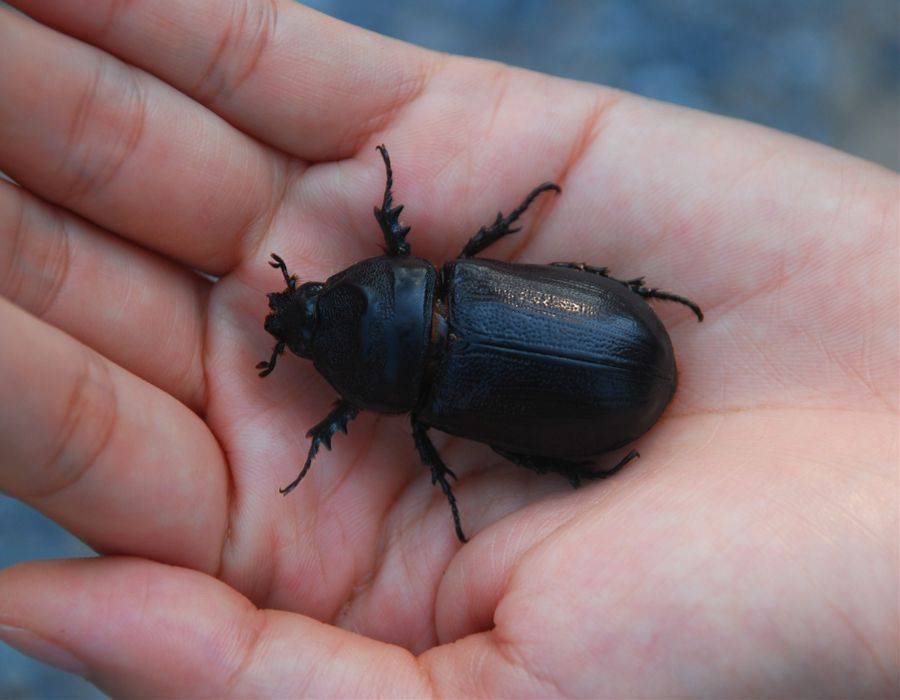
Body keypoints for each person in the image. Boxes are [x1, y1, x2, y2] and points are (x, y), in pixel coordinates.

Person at [0, 1, 896, 697]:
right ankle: (583, 459)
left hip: (592, 364)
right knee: (512, 283)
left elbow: (368, 419)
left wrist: (321, 433)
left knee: (496, 424)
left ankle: (582, 466)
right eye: (311, 312)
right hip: (605, 341)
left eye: (309, 305)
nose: (301, 313)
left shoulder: (411, 392)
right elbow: (403, 278)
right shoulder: (435, 277)